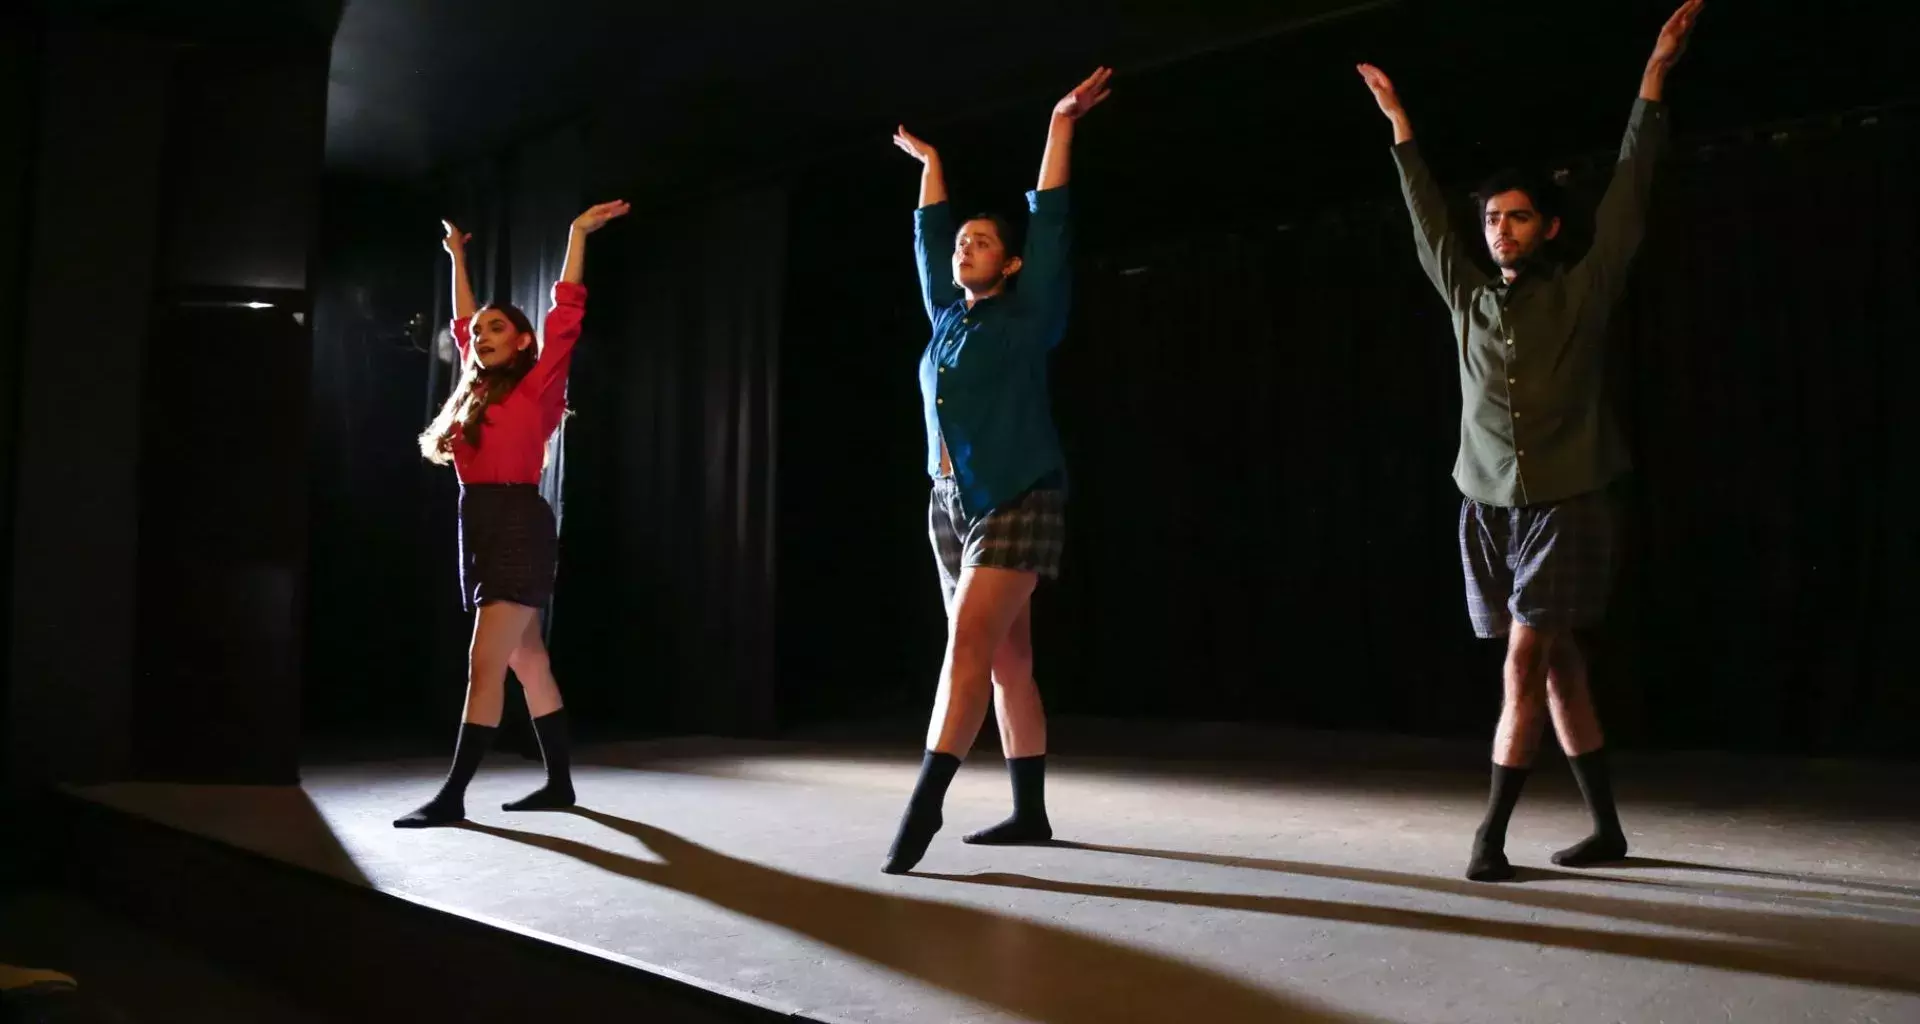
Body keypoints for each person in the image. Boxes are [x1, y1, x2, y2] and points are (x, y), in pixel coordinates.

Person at [1357, 0, 1703, 881]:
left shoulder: (1580, 292)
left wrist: (1652, 82)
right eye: (1491, 221)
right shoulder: (1468, 297)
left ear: (1546, 226)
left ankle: (1490, 838)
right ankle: (1608, 830)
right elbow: (1426, 219)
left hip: (1568, 497)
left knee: (1524, 660)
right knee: (1559, 671)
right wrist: (1400, 128)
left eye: (1515, 218)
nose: (1498, 231)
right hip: (1486, 502)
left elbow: (1629, 193)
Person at [880, 67, 1112, 875]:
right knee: (1010, 661)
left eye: (981, 242)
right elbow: (925, 232)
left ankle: (923, 806)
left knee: (969, 645)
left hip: (1020, 492)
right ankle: (1030, 814)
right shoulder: (945, 319)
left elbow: (1051, 219)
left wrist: (1059, 126)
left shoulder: (1030, 310)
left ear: (1010, 265)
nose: (963, 248)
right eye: (961, 243)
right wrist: (930, 166)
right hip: (951, 501)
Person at [393, 200, 630, 828]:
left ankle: (452, 797)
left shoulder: (538, 386)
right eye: (483, 333)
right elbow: (462, 320)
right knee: (529, 662)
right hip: (480, 524)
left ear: (524, 341)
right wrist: (457, 258)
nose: (485, 336)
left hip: (519, 525)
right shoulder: (474, 392)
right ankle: (560, 786)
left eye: (501, 329)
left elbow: (567, 312)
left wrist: (577, 234)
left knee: (485, 663)